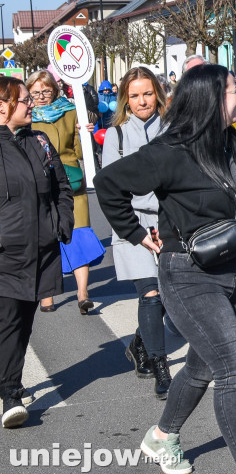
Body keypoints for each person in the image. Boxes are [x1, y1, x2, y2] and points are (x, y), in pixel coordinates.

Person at [95, 64, 236, 474]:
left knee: (202, 367)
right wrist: (137, 233)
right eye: (232, 90)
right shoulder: (170, 150)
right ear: (211, 99)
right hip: (187, 275)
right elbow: (109, 184)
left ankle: (162, 435)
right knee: (232, 366)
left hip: (235, 271)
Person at [0, 77, 74, 429]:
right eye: (24, 100)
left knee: (23, 321)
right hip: (4, 254)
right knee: (8, 320)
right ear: (3, 106)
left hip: (40, 248)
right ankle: (10, 393)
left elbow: (62, 185)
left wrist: (63, 220)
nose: (32, 105)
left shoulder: (40, 140)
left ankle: (8, 381)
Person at [102, 67, 172, 400]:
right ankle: (161, 366)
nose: (142, 101)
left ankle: (139, 343)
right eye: (134, 95)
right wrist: (132, 230)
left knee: (171, 297)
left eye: (147, 93)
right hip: (133, 226)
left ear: (157, 94)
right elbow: (108, 190)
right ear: (125, 100)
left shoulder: (173, 129)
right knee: (151, 293)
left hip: (170, 224)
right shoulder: (115, 136)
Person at [27, 71, 104, 315]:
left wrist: (85, 133)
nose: (40, 97)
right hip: (38, 185)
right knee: (45, 239)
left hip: (70, 183)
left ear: (55, 90)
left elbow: (80, 153)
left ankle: (83, 294)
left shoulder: (71, 113)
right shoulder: (25, 118)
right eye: (35, 92)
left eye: (46, 91)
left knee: (79, 236)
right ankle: (47, 293)